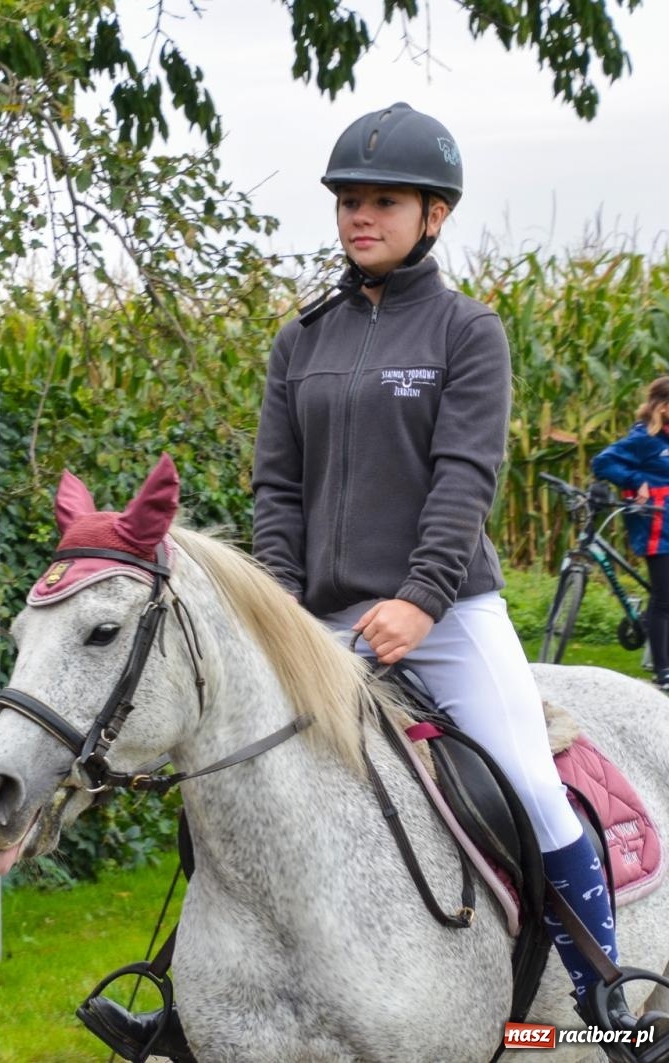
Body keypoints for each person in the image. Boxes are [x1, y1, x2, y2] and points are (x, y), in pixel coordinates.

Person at [84, 103, 651, 1061]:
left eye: (383, 201)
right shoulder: (300, 341)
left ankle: (604, 996)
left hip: (448, 613)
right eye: (349, 201)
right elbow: (279, 485)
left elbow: (465, 476)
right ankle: (180, 1000)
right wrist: (285, 612)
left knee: (531, 786)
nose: (359, 217)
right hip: (318, 621)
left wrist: (422, 596)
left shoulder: (469, 332)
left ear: (433, 215)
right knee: (239, 788)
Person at [591, 377, 669, 693]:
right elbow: (602, 462)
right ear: (663, 407)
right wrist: (635, 479)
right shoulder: (642, 439)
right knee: (664, 599)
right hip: (657, 529)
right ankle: (663, 672)